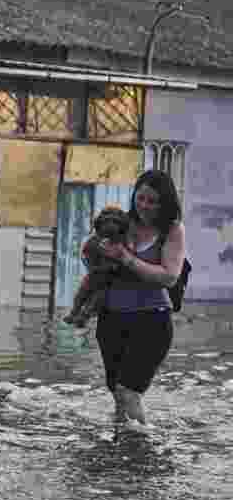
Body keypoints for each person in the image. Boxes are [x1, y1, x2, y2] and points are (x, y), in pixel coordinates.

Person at [93, 169, 185, 427]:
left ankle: (141, 446)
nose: (144, 205)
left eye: (152, 201)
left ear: (164, 203)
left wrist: (125, 258)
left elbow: (169, 276)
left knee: (129, 392)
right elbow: (92, 257)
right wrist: (96, 253)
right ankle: (119, 445)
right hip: (111, 319)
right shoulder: (120, 223)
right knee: (118, 393)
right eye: (140, 198)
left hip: (151, 321)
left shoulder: (172, 230)